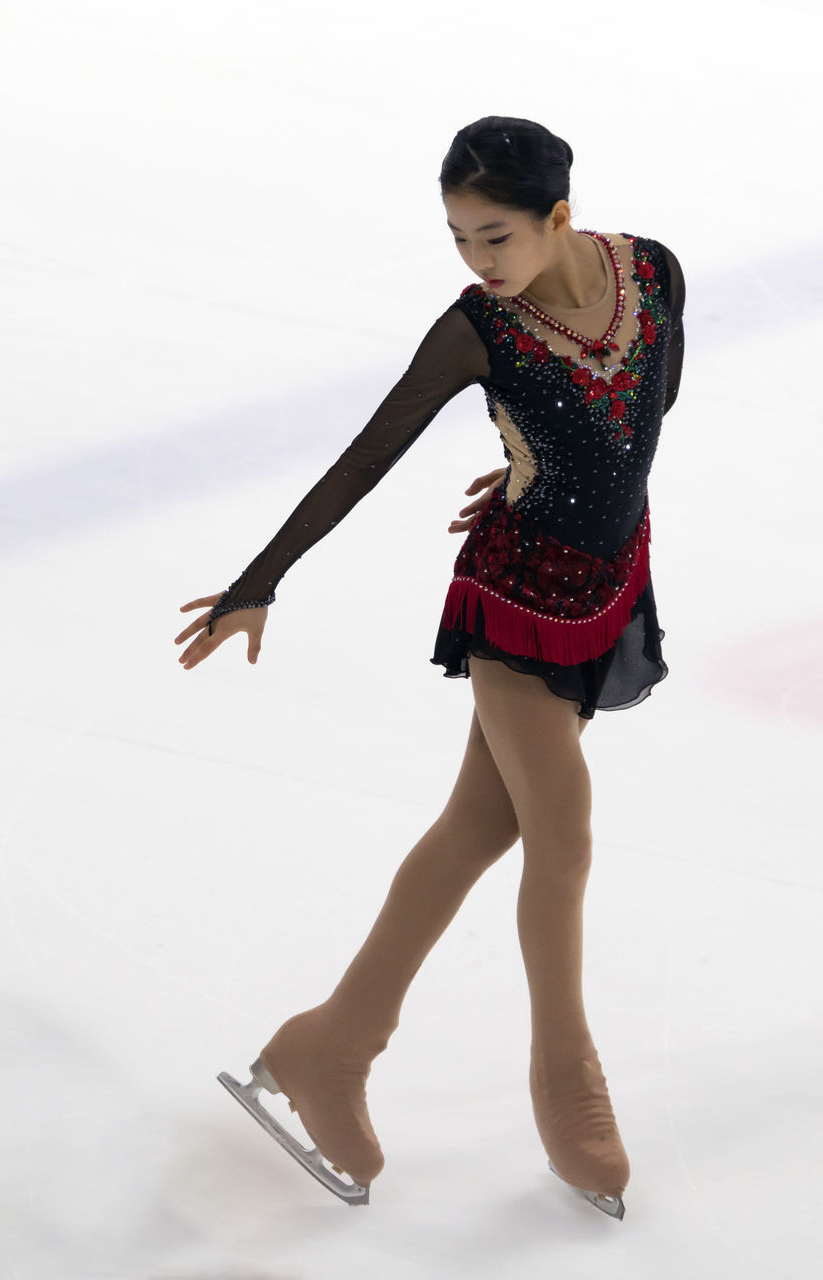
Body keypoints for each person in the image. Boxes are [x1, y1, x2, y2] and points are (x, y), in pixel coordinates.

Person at [174, 115, 685, 1219]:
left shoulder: (649, 272)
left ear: (558, 216)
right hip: (512, 596)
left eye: (494, 236)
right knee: (561, 825)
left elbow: (647, 407)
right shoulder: (474, 330)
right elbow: (364, 454)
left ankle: (330, 1044)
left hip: (605, 584)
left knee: (479, 826)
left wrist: (546, 466)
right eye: (457, 237)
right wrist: (257, 579)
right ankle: (568, 1081)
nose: (476, 261)